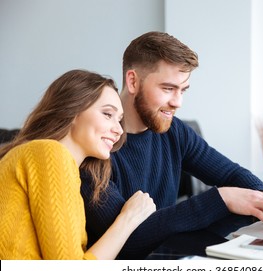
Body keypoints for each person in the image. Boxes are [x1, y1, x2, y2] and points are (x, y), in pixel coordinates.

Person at [81, 31, 263, 259]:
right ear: (133, 81)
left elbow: (230, 173)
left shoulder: (174, 131)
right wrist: (221, 199)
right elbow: (125, 244)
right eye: (168, 89)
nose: (177, 102)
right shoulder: (96, 146)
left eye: (183, 90)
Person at [0, 69, 156, 260]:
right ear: (73, 110)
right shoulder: (48, 152)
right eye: (108, 114)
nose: (118, 130)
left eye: (120, 120)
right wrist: (128, 219)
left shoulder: (67, 170)